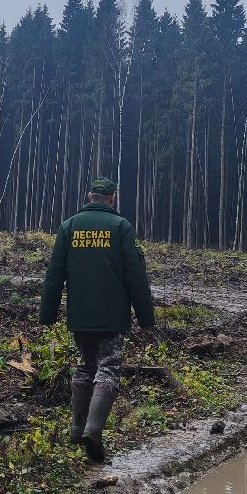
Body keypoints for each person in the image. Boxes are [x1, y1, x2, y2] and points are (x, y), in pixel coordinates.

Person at [39, 177, 155, 463]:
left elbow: (54, 274)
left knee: (85, 365)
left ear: (89, 196)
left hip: (80, 315)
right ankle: (93, 430)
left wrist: (47, 314)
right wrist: (146, 317)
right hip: (112, 315)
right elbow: (136, 275)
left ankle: (77, 428)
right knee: (108, 367)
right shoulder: (120, 227)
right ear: (112, 198)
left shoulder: (69, 226)